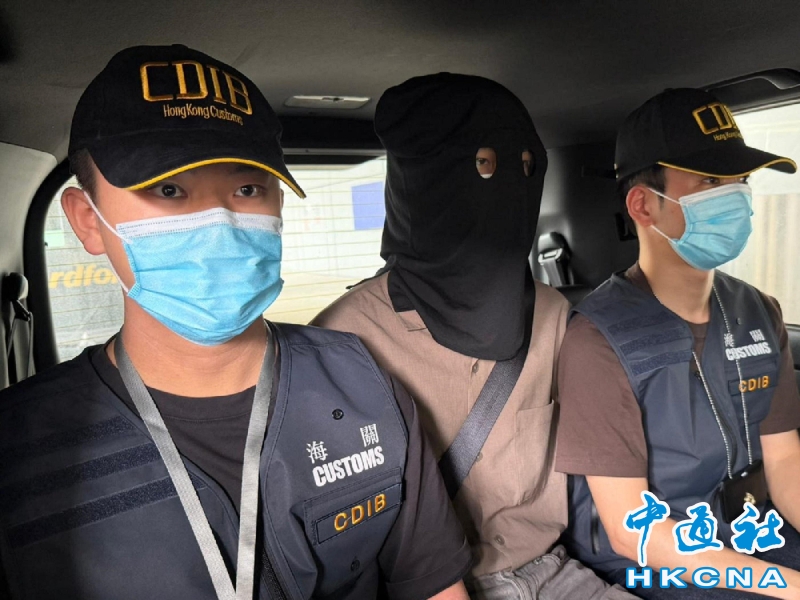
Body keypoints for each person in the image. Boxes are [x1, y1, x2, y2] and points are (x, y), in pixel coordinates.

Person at [0, 45, 472, 600]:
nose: (219, 221)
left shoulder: (363, 383)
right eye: (168, 189)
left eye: (248, 189)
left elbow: (436, 587)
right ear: (87, 221)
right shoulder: (18, 444)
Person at [313, 73, 634, 599]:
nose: (509, 186)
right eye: (483, 165)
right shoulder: (340, 340)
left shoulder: (554, 315)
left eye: (525, 168)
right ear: (423, 180)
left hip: (553, 573)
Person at [556, 87, 800, 598]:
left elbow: (785, 463)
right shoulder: (597, 338)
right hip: (653, 559)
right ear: (643, 205)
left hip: (754, 532)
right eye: (711, 180)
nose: (737, 196)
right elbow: (630, 530)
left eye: (741, 181)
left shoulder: (759, 311)